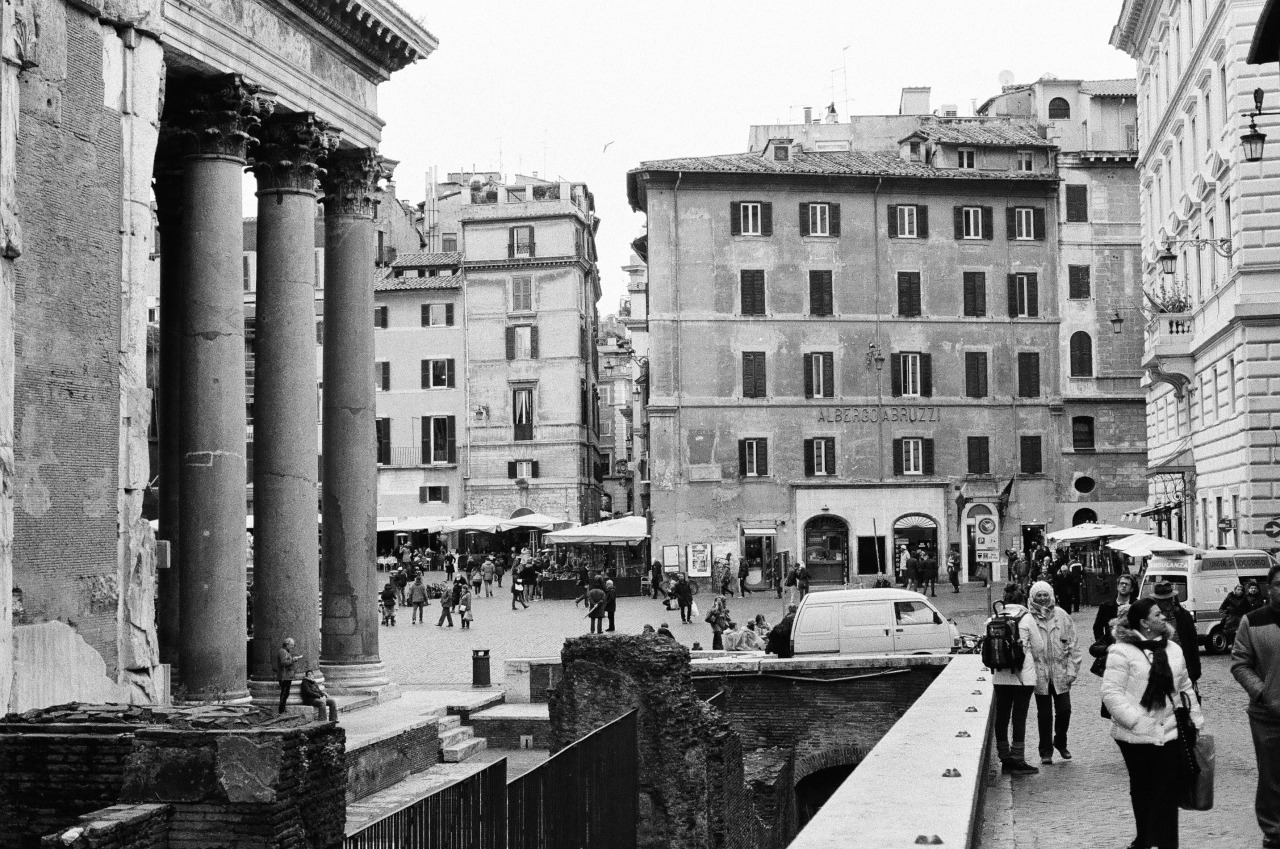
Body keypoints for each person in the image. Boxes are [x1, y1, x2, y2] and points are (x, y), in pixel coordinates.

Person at [1103, 598, 1204, 849]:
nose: (1163, 618)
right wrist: (1136, 721)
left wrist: (1196, 720)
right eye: (1157, 615)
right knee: (1143, 788)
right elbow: (1111, 693)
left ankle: (1168, 844)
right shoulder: (1121, 650)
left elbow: (1185, 687)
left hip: (1169, 731)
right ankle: (1144, 839)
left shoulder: (1173, 649)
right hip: (1135, 736)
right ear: (1144, 623)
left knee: (1167, 790)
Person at [1232, 563, 1280, 849]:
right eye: (1279, 584)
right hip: (1267, 715)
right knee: (1272, 775)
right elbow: (1240, 663)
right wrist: (1262, 693)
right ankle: (1274, 829)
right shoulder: (1252, 621)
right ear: (1269, 587)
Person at [1026, 580, 1081, 765]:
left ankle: (1060, 741)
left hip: (1060, 672)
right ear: (1033, 597)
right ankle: (1045, 751)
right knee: (1044, 715)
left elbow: (1074, 645)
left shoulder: (1062, 616)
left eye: (1045, 595)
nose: (1042, 599)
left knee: (1065, 711)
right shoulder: (1029, 618)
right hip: (1040, 673)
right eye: (1038, 595)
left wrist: (1072, 672)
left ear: (1051, 596)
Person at [988, 584, 1038, 775]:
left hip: (1000, 676)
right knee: (1019, 717)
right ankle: (1018, 758)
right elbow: (1039, 646)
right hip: (1023, 677)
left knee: (1001, 717)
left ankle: (1004, 757)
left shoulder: (994, 617)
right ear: (1022, 600)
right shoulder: (1026, 618)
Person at [1149, 581, 1202, 688]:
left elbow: (1193, 644)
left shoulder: (1184, 615)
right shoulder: (1152, 618)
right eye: (1163, 600)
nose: (1167, 602)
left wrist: (1195, 672)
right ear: (1157, 600)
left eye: (1169, 598)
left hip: (1183, 667)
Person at [1094, 573, 1136, 646]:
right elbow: (1097, 628)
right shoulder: (1105, 606)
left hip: (1132, 645)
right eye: (1121, 583)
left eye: (1127, 584)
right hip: (1111, 646)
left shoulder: (1136, 606)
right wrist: (1103, 645)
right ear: (1117, 586)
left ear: (1132, 589)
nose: (1124, 586)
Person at [275, 637, 302, 714]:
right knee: (284, 693)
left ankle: (282, 708)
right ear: (287, 644)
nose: (293, 646)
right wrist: (293, 660)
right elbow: (283, 663)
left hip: (287, 676)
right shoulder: (282, 651)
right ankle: (281, 710)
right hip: (284, 676)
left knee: (285, 693)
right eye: (291, 645)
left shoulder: (286, 652)